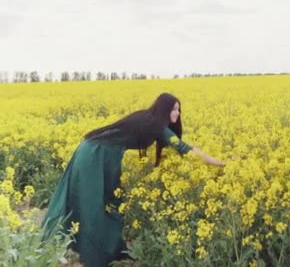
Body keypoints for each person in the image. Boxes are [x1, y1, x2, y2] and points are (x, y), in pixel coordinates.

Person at [41, 92, 225, 266]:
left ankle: (109, 249)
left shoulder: (150, 120)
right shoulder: (157, 126)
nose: (177, 113)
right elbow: (187, 149)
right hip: (94, 154)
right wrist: (220, 163)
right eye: (174, 109)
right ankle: (92, 254)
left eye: (178, 109)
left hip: (100, 153)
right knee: (92, 202)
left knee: (111, 200)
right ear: (164, 109)